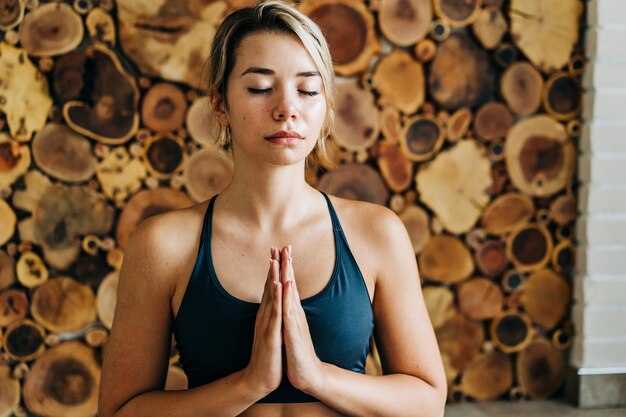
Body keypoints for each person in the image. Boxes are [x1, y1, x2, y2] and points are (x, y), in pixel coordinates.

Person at [98, 1, 447, 416]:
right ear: (220, 105)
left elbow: (427, 404)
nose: (286, 108)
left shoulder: (376, 233)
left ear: (325, 107)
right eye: (260, 88)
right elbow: (119, 413)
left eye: (308, 89)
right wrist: (250, 383)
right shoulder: (163, 245)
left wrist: (315, 376)